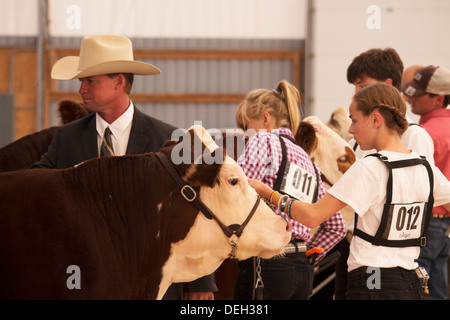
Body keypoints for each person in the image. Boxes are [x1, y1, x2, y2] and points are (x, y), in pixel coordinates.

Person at [31, 34, 217, 300]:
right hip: (87, 282)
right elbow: (35, 185)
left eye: (90, 81)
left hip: (154, 281)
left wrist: (200, 281)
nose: (81, 89)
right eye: (81, 81)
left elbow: (195, 208)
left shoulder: (167, 140)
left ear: (118, 81)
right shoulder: (66, 139)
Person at [249, 83, 450, 300]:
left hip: (373, 281)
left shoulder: (370, 167)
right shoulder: (425, 168)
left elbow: (311, 215)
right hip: (411, 281)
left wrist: (266, 192)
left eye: (354, 120)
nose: (351, 130)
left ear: (375, 119)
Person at [233, 80, 346, 300]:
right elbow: (336, 226)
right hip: (301, 273)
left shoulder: (262, 140)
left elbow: (238, 195)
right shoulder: (307, 161)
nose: (245, 134)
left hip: (266, 267)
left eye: (246, 126)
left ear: (265, 118)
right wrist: (305, 257)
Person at [402, 65, 450, 300]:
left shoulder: (422, 134)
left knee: (415, 289)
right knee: (438, 289)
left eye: (418, 94)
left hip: (425, 223)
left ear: (438, 99)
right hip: (445, 225)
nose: (410, 98)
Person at [346, 48, 434, 162]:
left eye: (363, 86)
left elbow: (423, 178)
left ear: (387, 85)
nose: (356, 93)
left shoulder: (414, 136)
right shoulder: (356, 142)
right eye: (355, 87)